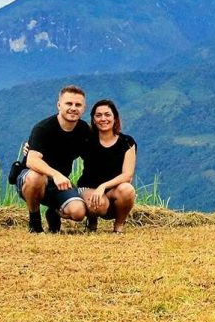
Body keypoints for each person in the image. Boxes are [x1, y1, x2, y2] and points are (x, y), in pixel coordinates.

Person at [15, 85, 92, 233]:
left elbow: (97, 152)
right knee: (36, 177)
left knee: (78, 212)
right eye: (69, 103)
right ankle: (35, 221)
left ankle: (53, 212)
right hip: (31, 180)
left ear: (84, 108)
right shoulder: (43, 128)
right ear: (59, 105)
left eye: (78, 105)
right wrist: (55, 174)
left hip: (60, 184)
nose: (73, 108)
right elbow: (32, 160)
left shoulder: (84, 131)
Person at [79, 98, 138, 234]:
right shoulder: (86, 140)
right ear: (93, 120)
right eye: (98, 115)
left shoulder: (127, 142)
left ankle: (118, 226)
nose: (103, 119)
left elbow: (127, 175)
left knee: (127, 189)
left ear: (115, 118)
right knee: (99, 204)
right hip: (88, 187)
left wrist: (103, 186)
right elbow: (61, 148)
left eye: (107, 114)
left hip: (113, 190)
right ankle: (92, 222)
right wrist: (32, 148)